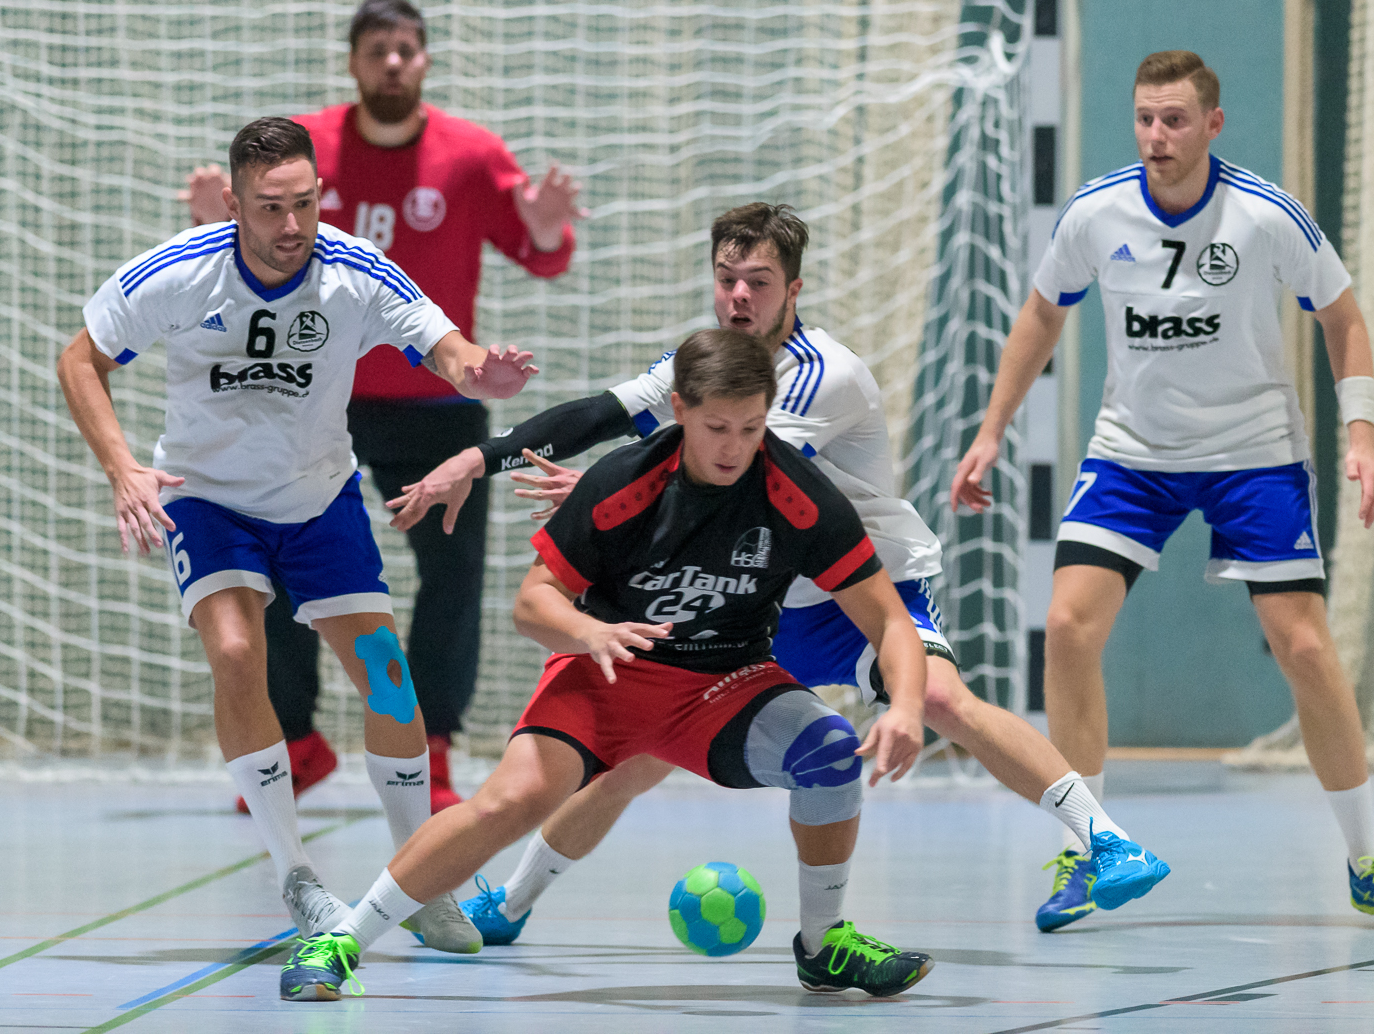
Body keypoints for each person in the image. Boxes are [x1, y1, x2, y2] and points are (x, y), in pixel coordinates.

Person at [391, 201, 1164, 940]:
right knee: (639, 754)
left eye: (758, 282)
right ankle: (512, 901)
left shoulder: (822, 374)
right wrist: (479, 459)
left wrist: (617, 483)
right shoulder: (702, 365)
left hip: (859, 588)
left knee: (936, 697)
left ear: (793, 290)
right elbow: (599, 414)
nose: (738, 295)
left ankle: (1104, 839)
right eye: (726, 277)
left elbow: (736, 469)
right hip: (758, 600)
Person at [277, 329, 938, 1001]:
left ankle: (823, 945)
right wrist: (589, 630)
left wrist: (907, 708)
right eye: (716, 427)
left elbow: (889, 619)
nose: (734, 447)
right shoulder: (624, 481)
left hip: (722, 686)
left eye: (751, 427)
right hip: (606, 674)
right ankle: (341, 941)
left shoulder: (799, 494)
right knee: (510, 803)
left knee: (831, 752)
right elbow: (533, 603)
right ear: (679, 409)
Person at [949, 49, 1374, 932]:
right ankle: (1088, 845)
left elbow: (1343, 317)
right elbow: (1042, 312)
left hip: (1253, 451)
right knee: (1067, 627)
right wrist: (991, 431)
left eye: (1174, 119)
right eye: (1145, 117)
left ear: (1213, 123)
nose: (1156, 135)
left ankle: (1368, 859)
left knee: (1304, 647)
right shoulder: (1097, 211)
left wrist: (1361, 433)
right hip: (1133, 453)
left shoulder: (1264, 215)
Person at [58, 116, 538, 949]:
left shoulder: (353, 269)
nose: (292, 225)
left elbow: (443, 344)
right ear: (233, 205)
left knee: (389, 680)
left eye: (306, 203)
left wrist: (478, 371)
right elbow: (79, 359)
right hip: (209, 500)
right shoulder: (182, 270)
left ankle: (421, 881)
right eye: (271, 207)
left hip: (319, 500)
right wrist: (122, 468)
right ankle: (297, 877)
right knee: (236, 652)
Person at [184, 0, 583, 814]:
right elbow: (243, 247)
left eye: (406, 48)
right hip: (308, 396)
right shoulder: (306, 148)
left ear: (425, 59)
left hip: (434, 402)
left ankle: (427, 746)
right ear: (353, 61)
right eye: (377, 49)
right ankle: (296, 741)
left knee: (451, 574)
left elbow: (543, 256)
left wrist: (545, 227)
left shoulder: (471, 155)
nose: (393, 63)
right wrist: (207, 223)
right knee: (274, 565)